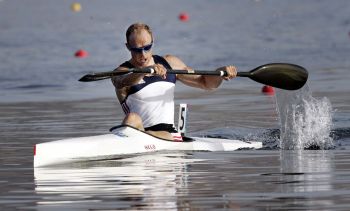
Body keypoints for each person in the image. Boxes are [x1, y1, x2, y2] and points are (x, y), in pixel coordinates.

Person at [111, 22, 237, 141]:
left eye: (147, 47)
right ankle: (130, 139)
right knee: (132, 118)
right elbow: (120, 82)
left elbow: (206, 83)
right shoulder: (121, 72)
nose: (143, 54)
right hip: (137, 131)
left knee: (157, 133)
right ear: (128, 47)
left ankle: (138, 138)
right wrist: (144, 71)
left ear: (153, 42)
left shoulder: (170, 63)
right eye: (137, 50)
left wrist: (220, 73)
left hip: (168, 135)